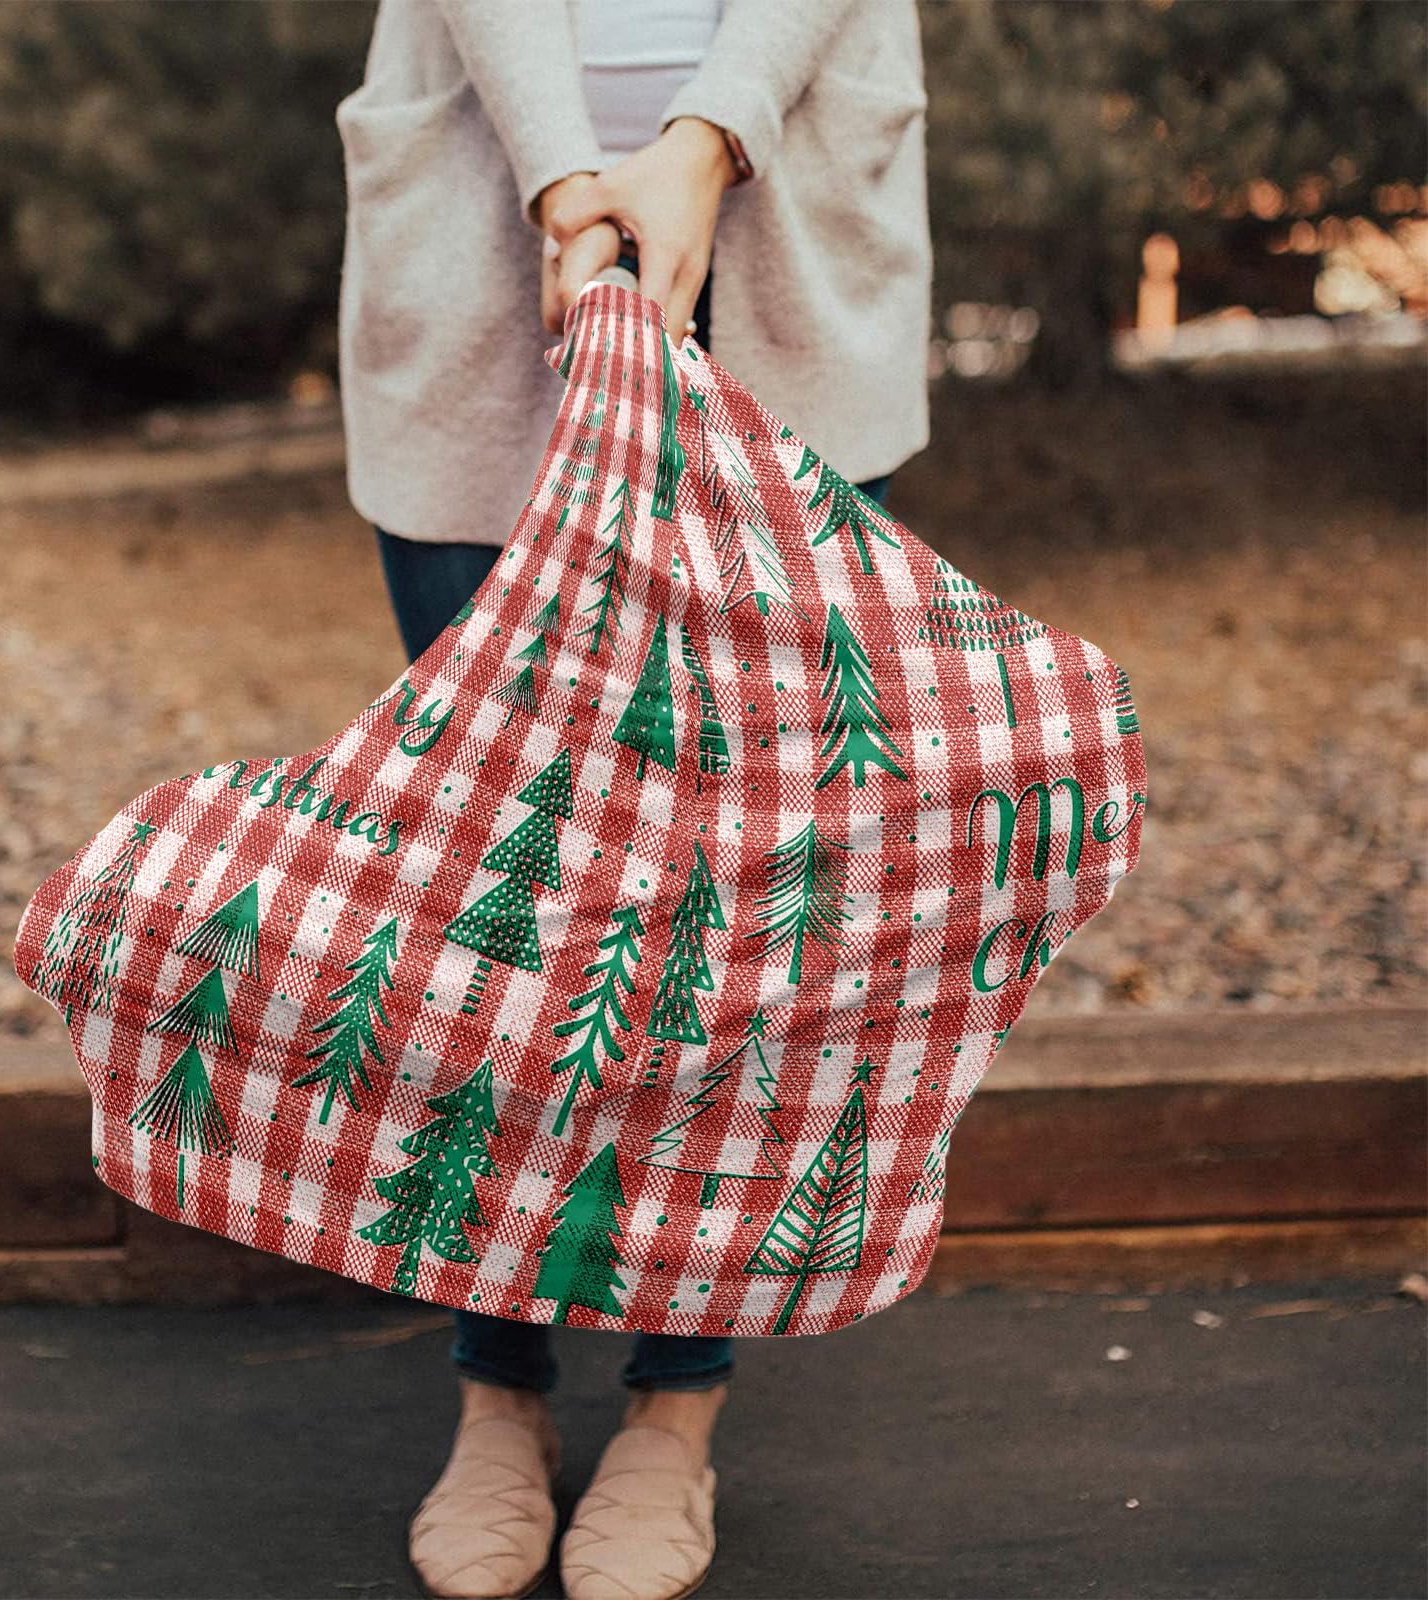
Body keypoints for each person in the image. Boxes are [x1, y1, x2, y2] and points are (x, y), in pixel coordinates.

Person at [334, 4, 930, 1596]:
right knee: (500, 889)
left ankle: (677, 1408)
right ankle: (498, 1390)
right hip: (487, 227)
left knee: (734, 893)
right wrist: (562, 179)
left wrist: (704, 138)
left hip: (784, 225)